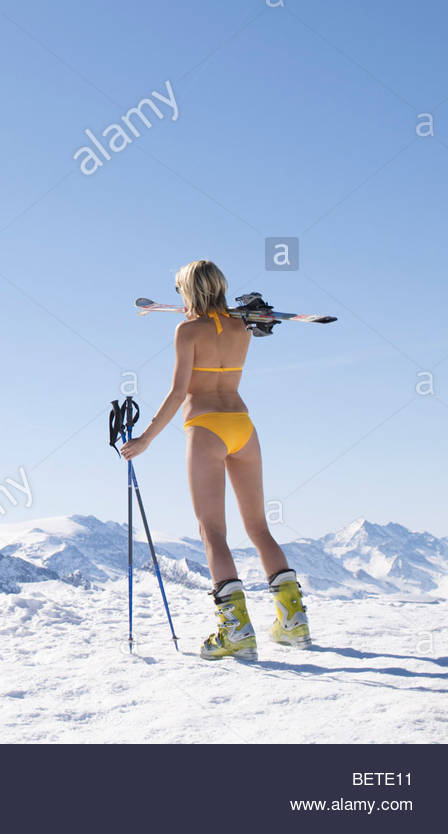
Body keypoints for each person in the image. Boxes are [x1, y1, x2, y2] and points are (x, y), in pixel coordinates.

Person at [120, 259, 310, 660]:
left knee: (213, 533)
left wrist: (146, 439)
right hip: (243, 426)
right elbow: (251, 325)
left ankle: (236, 631)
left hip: (206, 427)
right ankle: (293, 622)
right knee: (259, 527)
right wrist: (258, 314)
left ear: (189, 291)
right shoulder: (243, 327)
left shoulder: (187, 330)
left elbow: (177, 393)